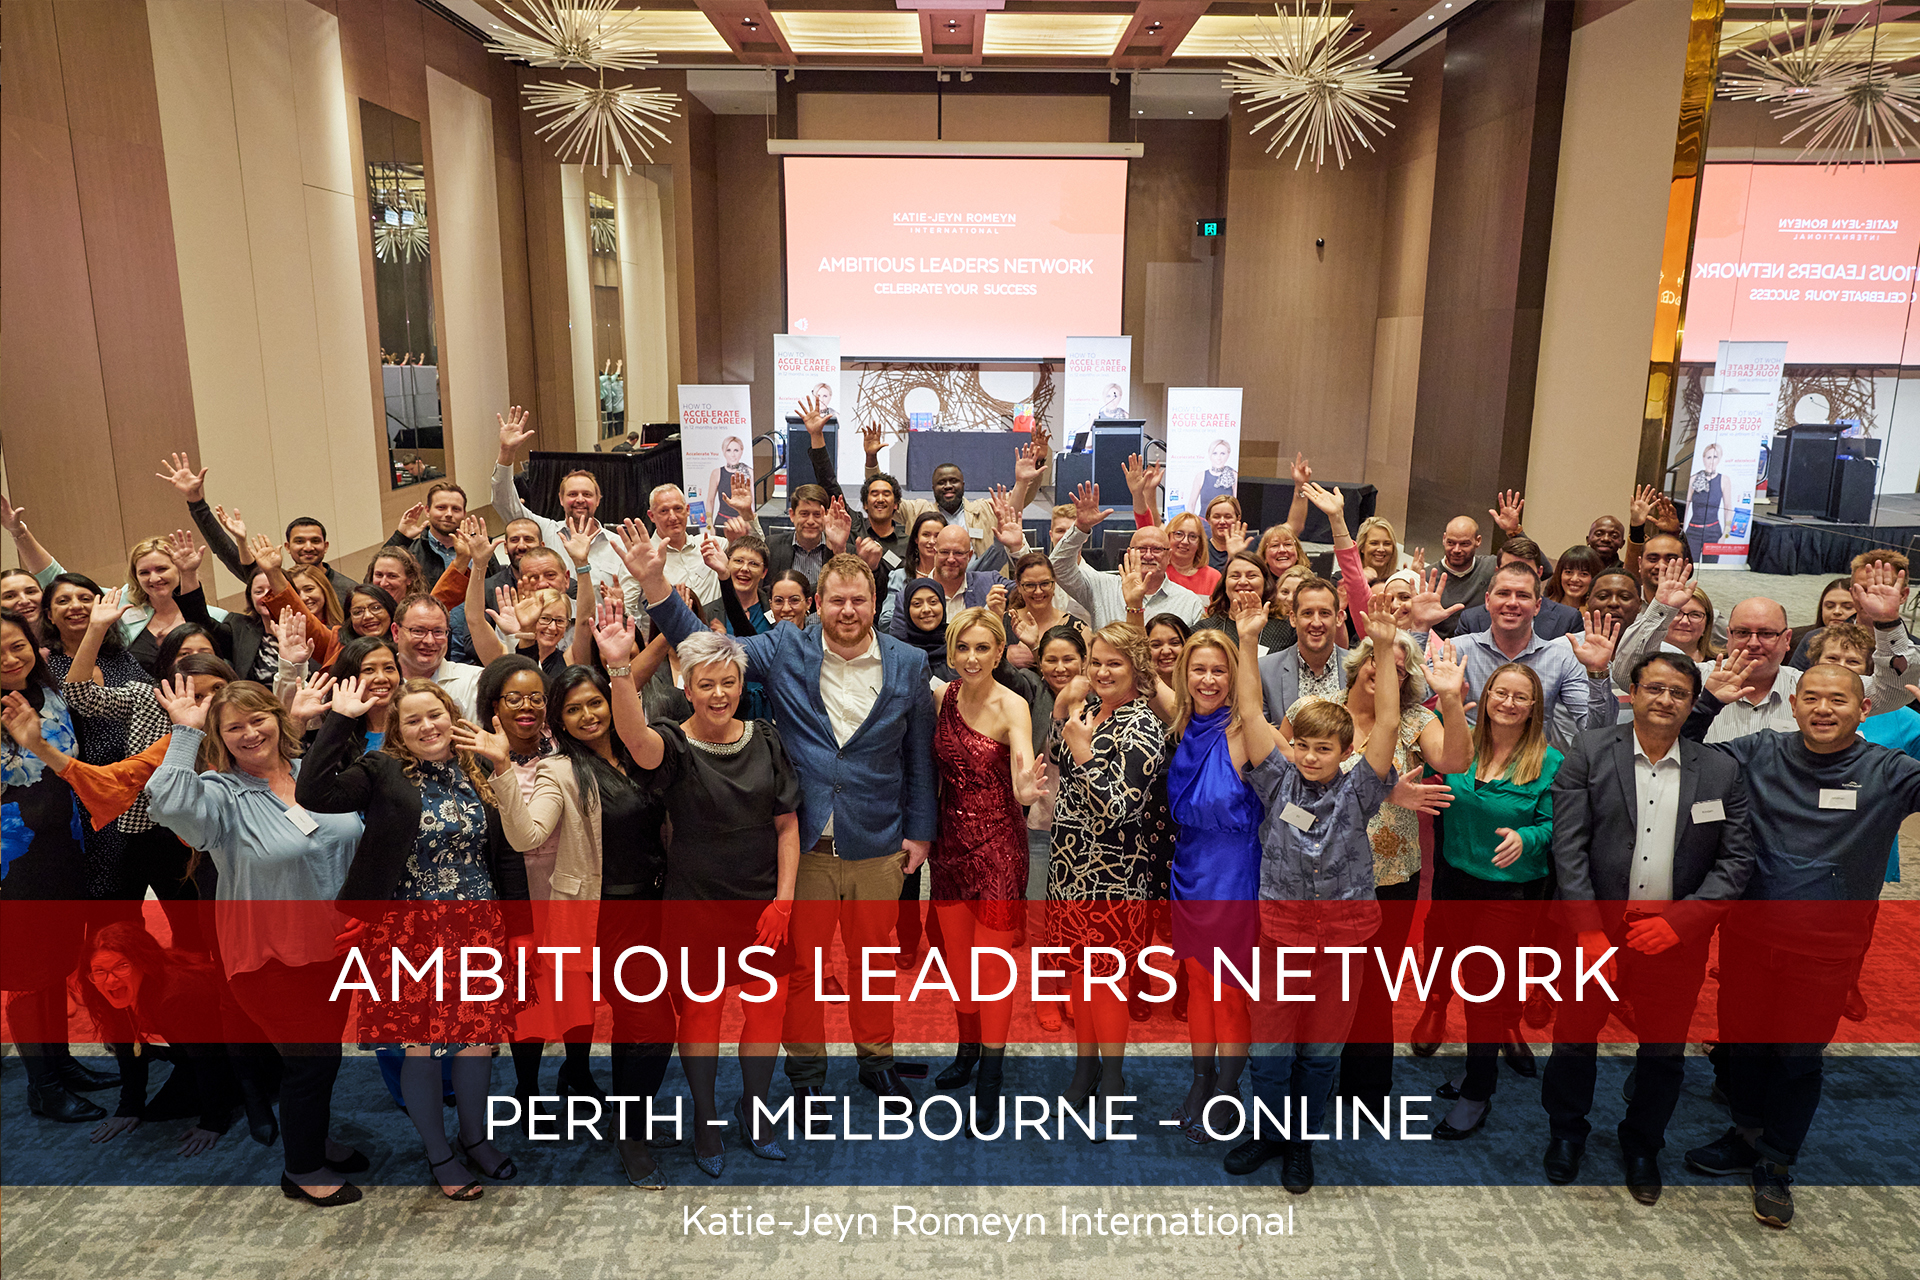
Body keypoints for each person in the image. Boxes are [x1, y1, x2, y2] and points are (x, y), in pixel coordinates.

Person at [620, 533, 935, 1103]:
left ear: (875, 601)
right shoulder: (786, 646)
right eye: (836, 600)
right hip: (804, 842)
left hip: (879, 839)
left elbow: (917, 753)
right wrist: (654, 585)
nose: (847, 611)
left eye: (858, 600)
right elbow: (705, 646)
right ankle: (807, 1071)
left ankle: (876, 1059)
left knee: (872, 964)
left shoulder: (908, 663)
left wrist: (920, 831)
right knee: (801, 971)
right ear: (817, 603)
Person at [1677, 656, 1920, 1228]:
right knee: (1742, 1045)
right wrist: (1706, 703)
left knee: (1797, 1057)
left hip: (1827, 950)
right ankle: (1746, 1136)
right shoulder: (1760, 752)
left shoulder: (1889, 771)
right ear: (1793, 704)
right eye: (1811, 697)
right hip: (1748, 937)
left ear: (1864, 709)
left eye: (1838, 699)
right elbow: (1684, 758)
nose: (1823, 709)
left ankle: (1776, 1161)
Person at [297, 676, 530, 1201]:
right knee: (420, 1050)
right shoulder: (382, 770)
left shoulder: (477, 766)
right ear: (398, 730)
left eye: (435, 714)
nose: (427, 726)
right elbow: (315, 793)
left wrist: (521, 932)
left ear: (452, 715)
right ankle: (439, 1153)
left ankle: (475, 1139)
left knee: (477, 1045)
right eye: (413, 720)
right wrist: (340, 719)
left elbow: (507, 853)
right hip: (409, 935)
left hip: (478, 929)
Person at [1539, 651, 1754, 1202]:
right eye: (1654, 688)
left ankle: (1642, 1145)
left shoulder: (1721, 770)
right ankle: (1566, 1133)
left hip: (1674, 937)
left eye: (1678, 693)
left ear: (1692, 703)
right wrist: (1587, 930)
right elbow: (1569, 847)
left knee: (1663, 1052)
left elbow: (1735, 863)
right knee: (1574, 1040)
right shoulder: (1589, 751)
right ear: (1631, 693)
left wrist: (1681, 923)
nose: (1665, 700)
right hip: (1593, 931)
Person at [145, 678, 368, 1206]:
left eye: (257, 719)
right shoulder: (219, 795)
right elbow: (166, 805)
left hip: (335, 951)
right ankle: (302, 1170)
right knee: (311, 1061)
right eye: (233, 727)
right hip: (269, 959)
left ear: (278, 718)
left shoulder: (313, 774)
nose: (249, 733)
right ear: (219, 738)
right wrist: (184, 733)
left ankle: (312, 1139)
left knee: (322, 1057)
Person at [603, 623, 801, 1174]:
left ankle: (755, 1108)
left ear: (742, 685)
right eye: (706, 684)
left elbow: (787, 825)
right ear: (687, 688)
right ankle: (706, 1117)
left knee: (766, 1014)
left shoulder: (765, 736)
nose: (719, 694)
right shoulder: (672, 741)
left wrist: (784, 902)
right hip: (696, 905)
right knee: (702, 1016)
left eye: (728, 682)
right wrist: (619, 669)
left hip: (763, 901)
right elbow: (634, 740)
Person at [470, 658, 674, 1186]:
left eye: (595, 703)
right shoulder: (558, 770)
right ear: (558, 720)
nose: (588, 716)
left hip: (658, 910)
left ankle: (628, 1118)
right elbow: (526, 836)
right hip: (606, 919)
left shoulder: (641, 753)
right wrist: (501, 769)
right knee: (654, 1027)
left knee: (638, 1026)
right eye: (573, 709)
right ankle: (631, 1134)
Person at [1224, 597, 1402, 1192]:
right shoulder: (1276, 780)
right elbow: (1251, 711)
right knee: (1270, 1049)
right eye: (1304, 745)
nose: (1312, 756)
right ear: (1293, 744)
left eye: (1326, 748)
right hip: (1281, 936)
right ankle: (1268, 1132)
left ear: (1346, 752)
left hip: (1344, 941)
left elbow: (1389, 725)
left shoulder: (1361, 790)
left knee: (1321, 1053)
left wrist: (1382, 648)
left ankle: (1301, 1141)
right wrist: (1248, 640)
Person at [1279, 632, 1471, 1104]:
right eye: (1378, 660)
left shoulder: (1415, 719)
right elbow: (1281, 792)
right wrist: (1383, 790)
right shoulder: (1313, 709)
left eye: (1398, 669)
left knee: (1373, 985)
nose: (1385, 671)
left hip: (1389, 877)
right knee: (1314, 984)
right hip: (1317, 877)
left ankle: (1365, 1089)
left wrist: (1449, 699)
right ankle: (1308, 1080)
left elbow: (1456, 760)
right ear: (1360, 662)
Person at [1423, 662, 1561, 1139]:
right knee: (1474, 984)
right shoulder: (1458, 745)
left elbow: (1557, 825)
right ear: (1485, 697)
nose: (1508, 703)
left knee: (1483, 989)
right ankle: (1477, 1069)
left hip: (1509, 893)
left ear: (1534, 707)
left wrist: (1528, 838)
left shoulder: (1549, 762)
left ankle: (1477, 1092)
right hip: (1454, 882)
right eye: (1501, 692)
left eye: (1520, 697)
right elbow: (1428, 783)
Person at [924, 608, 1046, 1127]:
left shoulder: (1013, 704)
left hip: (998, 847)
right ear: (952, 652)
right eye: (963, 648)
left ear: (999, 652)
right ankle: (967, 1049)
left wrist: (1028, 790)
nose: (971, 658)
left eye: (982, 648)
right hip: (949, 847)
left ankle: (991, 1075)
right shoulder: (943, 698)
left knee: (991, 967)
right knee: (957, 962)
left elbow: (1021, 774)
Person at [1047, 621, 1170, 1122]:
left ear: (1136, 668)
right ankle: (1085, 1067)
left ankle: (1113, 1076)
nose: (1101, 672)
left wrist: (1081, 748)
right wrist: (1063, 717)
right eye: (1095, 662)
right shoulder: (1092, 709)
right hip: (1069, 868)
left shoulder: (1144, 725)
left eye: (1113, 663)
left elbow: (1119, 806)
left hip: (1113, 877)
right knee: (1078, 979)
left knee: (1107, 985)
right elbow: (1059, 759)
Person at [1, 613, 119, 1125]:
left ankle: (62, 1064)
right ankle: (43, 1086)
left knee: (54, 964)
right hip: (13, 860)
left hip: (63, 847)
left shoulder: (48, 693)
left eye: (17, 645)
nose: (11, 659)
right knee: (27, 975)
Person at [1615, 562, 1915, 742]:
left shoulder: (1813, 687)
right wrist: (1661, 610)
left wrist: (1887, 624)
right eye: (1743, 633)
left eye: (1767, 634)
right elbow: (1626, 673)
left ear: (1787, 640)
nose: (1754, 643)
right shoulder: (1696, 678)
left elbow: (1893, 692)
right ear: (1728, 636)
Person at [77, 921, 256, 1157]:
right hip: (191, 1059)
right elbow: (129, 1048)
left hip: (245, 1059)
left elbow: (209, 1059)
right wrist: (129, 1108)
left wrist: (214, 1122)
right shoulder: (111, 993)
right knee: (156, 1113)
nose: (110, 980)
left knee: (177, 1108)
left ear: (143, 962)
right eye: (99, 971)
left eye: (122, 966)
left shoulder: (176, 995)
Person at [1412, 561, 1619, 750]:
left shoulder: (1560, 658)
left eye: (1523, 595)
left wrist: (1598, 673)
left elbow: (1596, 731)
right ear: (1487, 601)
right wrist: (1419, 629)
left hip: (1533, 770)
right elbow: (1412, 698)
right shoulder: (1458, 650)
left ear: (1537, 606)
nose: (1512, 602)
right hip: (1465, 766)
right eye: (1503, 593)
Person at [494, 407, 635, 583]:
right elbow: (504, 502)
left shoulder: (617, 544)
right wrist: (506, 452)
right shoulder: (545, 532)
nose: (580, 500)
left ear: (598, 500)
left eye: (587, 494)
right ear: (561, 499)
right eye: (573, 494)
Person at [1053, 483, 1206, 630]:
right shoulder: (1102, 588)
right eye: (1141, 549)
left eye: (1157, 549)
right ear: (1129, 552)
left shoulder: (1189, 603)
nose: (1148, 555)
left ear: (1169, 556)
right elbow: (1057, 568)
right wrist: (1080, 528)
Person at [888, 434, 1047, 559]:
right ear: (932, 488)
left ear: (963, 485)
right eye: (941, 482)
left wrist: (1026, 476)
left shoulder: (986, 509)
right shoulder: (918, 511)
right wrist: (874, 460)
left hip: (981, 585)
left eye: (954, 481)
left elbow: (1020, 499)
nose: (948, 486)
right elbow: (883, 501)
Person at [119, 532, 220, 675]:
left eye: (161, 569)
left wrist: (189, 573)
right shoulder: (123, 615)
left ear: (179, 568)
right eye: (144, 573)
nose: (154, 579)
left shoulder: (216, 617)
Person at [1449, 540, 1584, 641]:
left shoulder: (1568, 619)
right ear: (1497, 571)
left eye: (1525, 569)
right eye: (1509, 568)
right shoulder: (1471, 619)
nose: (1516, 576)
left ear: (1539, 572)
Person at [889, 524, 1005, 639]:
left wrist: (1014, 549)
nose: (951, 559)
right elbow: (896, 645)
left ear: (969, 556)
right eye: (944, 552)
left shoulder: (990, 582)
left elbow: (1017, 592)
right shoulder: (906, 598)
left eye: (958, 553)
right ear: (935, 553)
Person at [1258, 575, 1347, 721]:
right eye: (1307, 613)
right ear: (1293, 618)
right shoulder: (1265, 671)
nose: (1316, 623)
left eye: (1324, 613)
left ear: (1339, 618)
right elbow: (1258, 730)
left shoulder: (1358, 669)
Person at [389, 593, 482, 720]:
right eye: (418, 631)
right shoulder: (378, 684)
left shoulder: (475, 682)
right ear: (395, 632)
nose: (429, 641)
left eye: (438, 632)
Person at [1193, 553, 1296, 653]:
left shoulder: (1288, 629)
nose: (1243, 582)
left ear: (1265, 583)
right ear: (1224, 584)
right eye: (1235, 576)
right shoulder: (1203, 630)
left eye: (1251, 576)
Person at [382, 480, 470, 582]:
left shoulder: (476, 550)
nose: (449, 514)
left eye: (456, 509)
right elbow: (376, 584)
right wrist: (400, 537)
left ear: (464, 514)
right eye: (441, 507)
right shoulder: (410, 553)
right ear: (427, 511)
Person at [1786, 577, 1857, 671]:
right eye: (1829, 606)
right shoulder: (1809, 638)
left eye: (1847, 607)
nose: (1836, 611)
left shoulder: (1872, 642)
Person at [1685, 442, 1733, 564]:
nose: (1711, 461)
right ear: (1703, 459)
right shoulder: (1693, 479)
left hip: (1713, 532)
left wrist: (1725, 535)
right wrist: (1680, 530)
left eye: (1715, 457)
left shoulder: (1724, 480)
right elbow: (1686, 506)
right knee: (1690, 566)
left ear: (1719, 459)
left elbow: (1728, 509)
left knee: (1711, 568)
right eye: (1709, 457)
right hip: (1693, 532)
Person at [707, 435, 753, 530]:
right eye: (729, 450)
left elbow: (751, 501)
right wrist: (709, 525)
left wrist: (751, 523)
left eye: (736, 450)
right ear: (724, 452)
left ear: (741, 451)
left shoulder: (749, 471)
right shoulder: (717, 473)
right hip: (722, 523)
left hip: (742, 523)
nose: (733, 454)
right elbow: (710, 501)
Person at [1188, 439, 1238, 517]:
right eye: (1215, 453)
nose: (1219, 457)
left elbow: (1236, 507)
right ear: (1210, 454)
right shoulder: (1201, 476)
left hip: (1225, 523)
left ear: (1228, 455)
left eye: (1222, 453)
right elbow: (1191, 504)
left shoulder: (1234, 476)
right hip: (1203, 523)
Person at [1546, 545, 1605, 610]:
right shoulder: (1544, 607)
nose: (1574, 579)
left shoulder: (1600, 611)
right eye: (1568, 572)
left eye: (1584, 574)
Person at [1202, 495, 1248, 574]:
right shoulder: (1200, 549)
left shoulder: (1248, 549)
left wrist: (1236, 555)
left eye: (1228, 517)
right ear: (1208, 520)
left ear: (1238, 519)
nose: (1222, 521)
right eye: (1216, 517)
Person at [1145, 613, 1191, 689]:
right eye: (1156, 645)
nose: (1166, 651)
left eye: (1174, 643)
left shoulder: (1200, 684)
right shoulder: (1136, 689)